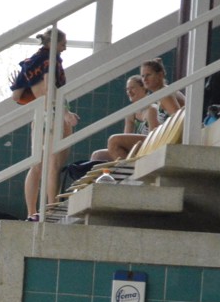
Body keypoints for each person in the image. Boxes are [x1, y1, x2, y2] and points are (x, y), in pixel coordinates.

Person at [11, 27, 80, 220]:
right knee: (53, 164)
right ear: (53, 43)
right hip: (54, 112)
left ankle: (31, 212)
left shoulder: (30, 63)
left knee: (37, 164)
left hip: (40, 113)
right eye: (63, 44)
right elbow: (51, 88)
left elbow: (16, 96)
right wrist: (65, 113)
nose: (65, 49)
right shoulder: (51, 60)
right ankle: (51, 209)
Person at [89, 75, 160, 162]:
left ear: (144, 88)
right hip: (138, 146)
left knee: (113, 140)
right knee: (97, 155)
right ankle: (125, 167)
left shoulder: (152, 109)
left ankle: (128, 168)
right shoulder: (131, 113)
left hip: (150, 144)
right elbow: (125, 137)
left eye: (132, 88)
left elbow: (154, 138)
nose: (129, 92)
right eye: (127, 89)